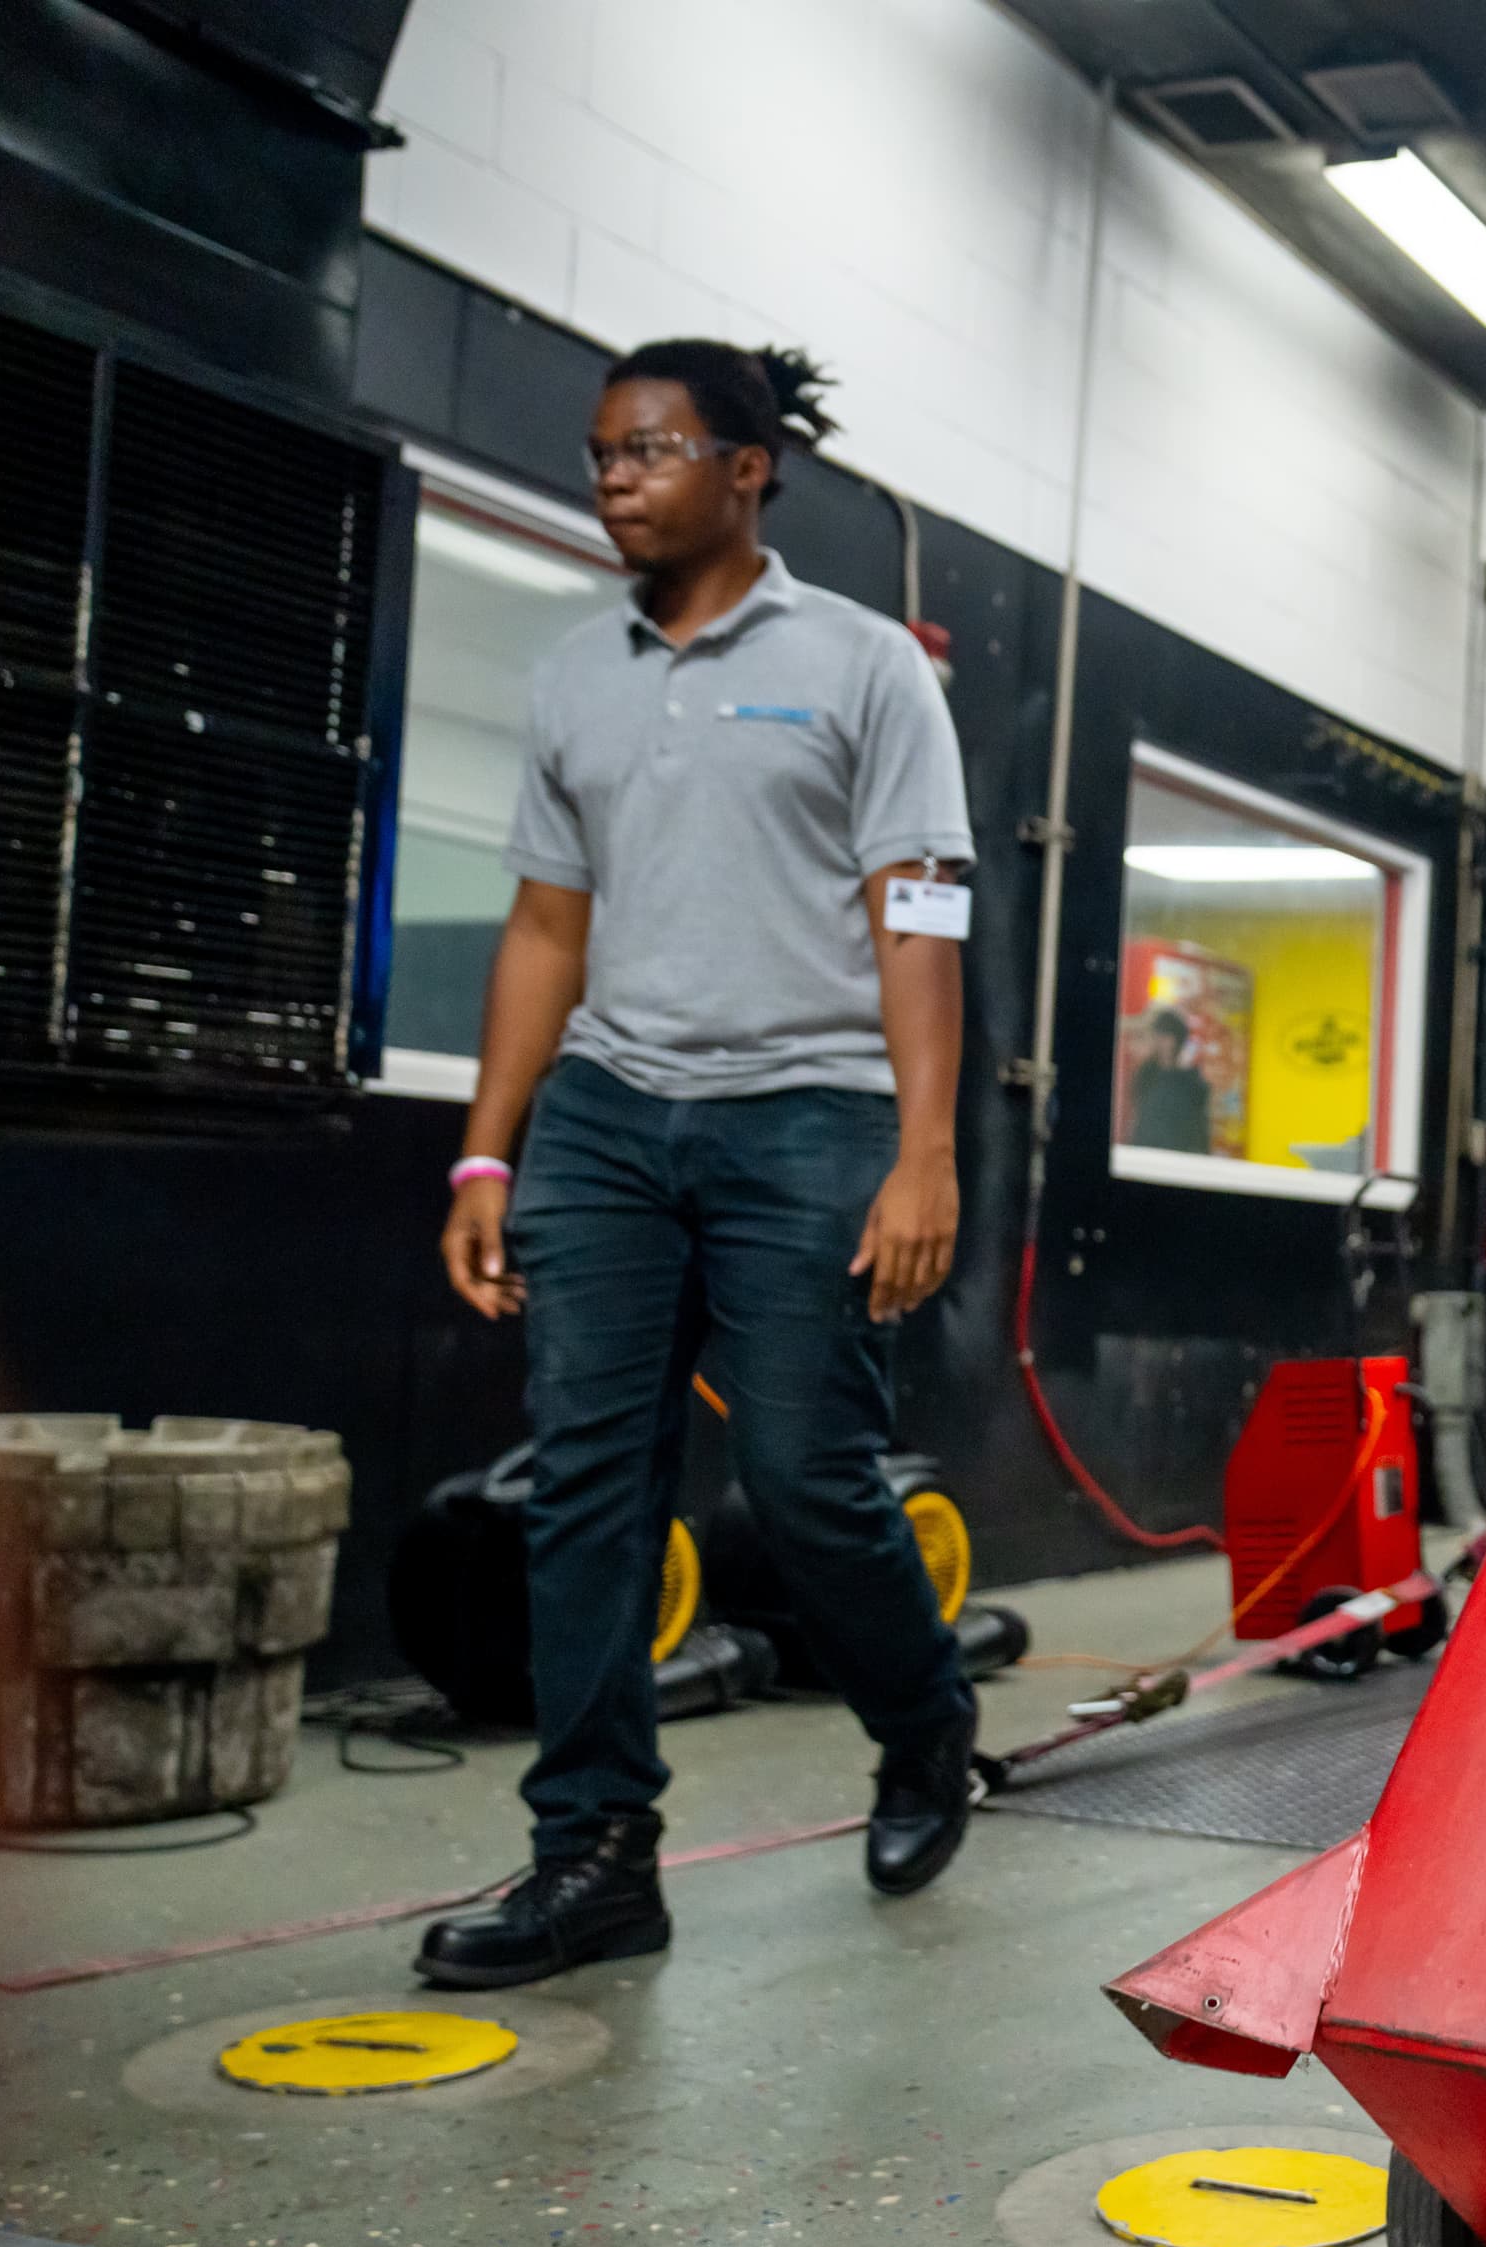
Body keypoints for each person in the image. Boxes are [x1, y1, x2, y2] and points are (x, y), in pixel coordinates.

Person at [423, 339, 983, 1987]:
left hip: (810, 1116)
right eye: (600, 453)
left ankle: (923, 1724)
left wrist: (924, 1152)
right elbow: (543, 924)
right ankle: (592, 1850)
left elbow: (922, 912)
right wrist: (482, 1158)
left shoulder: (868, 665)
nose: (614, 479)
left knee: (808, 1480)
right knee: (585, 1491)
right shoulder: (570, 679)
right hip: (606, 1114)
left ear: (749, 468)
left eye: (651, 449)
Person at [1127, 1005, 1213, 1154]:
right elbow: (1140, 1124)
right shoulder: (1146, 1076)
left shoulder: (1190, 1087)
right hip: (1143, 1160)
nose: (1151, 1040)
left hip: (1173, 1165)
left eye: (1155, 1035)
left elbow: (1198, 1136)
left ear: (1170, 1040)